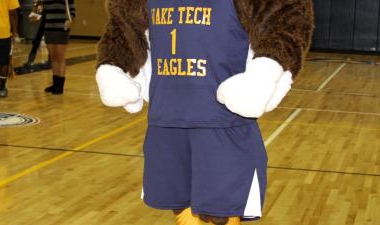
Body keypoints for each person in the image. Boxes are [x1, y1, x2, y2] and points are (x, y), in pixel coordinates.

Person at [96, 0, 314, 225]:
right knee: (182, 214)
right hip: (167, 119)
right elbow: (124, 26)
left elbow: (285, 19)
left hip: (222, 123)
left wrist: (265, 73)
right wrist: (112, 67)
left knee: (219, 216)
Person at [30, 0, 75, 95]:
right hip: (48, 27)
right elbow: (40, 9)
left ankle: (60, 86)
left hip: (61, 28)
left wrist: (69, 20)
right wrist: (35, 15)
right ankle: (55, 84)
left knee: (60, 57)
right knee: (53, 57)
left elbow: (72, 10)